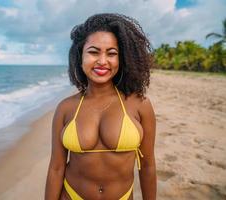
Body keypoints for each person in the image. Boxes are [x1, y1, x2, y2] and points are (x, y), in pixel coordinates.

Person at [45, 13, 156, 200]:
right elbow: (56, 168)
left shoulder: (139, 105)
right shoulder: (66, 108)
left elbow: (147, 166)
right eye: (94, 52)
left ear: (123, 59)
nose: (102, 61)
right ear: (80, 56)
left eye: (111, 53)